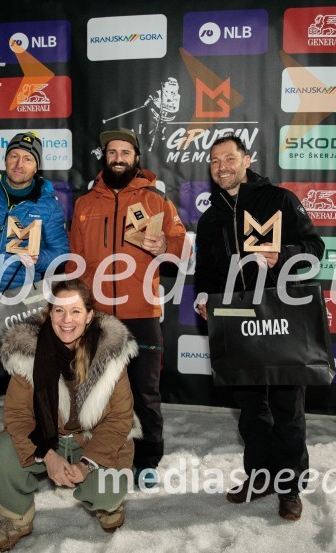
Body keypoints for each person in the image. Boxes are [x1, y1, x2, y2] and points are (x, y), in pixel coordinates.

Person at [194, 133, 325, 521]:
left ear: (246, 160)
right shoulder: (210, 217)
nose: (222, 167)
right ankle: (259, 476)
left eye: (229, 158)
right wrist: (204, 297)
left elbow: (315, 249)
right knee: (252, 408)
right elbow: (206, 271)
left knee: (287, 407)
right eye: (215, 161)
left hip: (282, 315)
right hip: (237, 319)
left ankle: (290, 487)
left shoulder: (280, 199)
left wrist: (281, 254)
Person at [68, 128, 187, 487]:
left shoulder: (155, 199)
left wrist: (166, 243)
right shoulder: (85, 203)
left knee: (146, 392)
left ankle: (148, 459)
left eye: (125, 152)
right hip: (98, 315)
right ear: (104, 157)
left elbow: (182, 248)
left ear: (136, 157)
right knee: (97, 391)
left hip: (142, 312)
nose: (118, 157)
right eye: (112, 152)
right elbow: (76, 260)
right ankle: (105, 455)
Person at [0, 278, 137, 551]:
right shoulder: (28, 353)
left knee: (109, 490)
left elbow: (119, 419)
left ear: (89, 316)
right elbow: (18, 417)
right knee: (2, 451)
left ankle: (108, 505)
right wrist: (48, 454)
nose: (67, 319)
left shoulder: (111, 354)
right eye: (59, 310)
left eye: (75, 311)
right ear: (50, 313)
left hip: (91, 439)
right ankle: (15, 517)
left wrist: (86, 464)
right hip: (47, 437)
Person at [0, 131, 70, 485]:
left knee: (28, 386)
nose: (19, 164)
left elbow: (63, 255)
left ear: (37, 165)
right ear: (4, 160)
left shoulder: (48, 205)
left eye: (27, 158)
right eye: (13, 156)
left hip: (22, 308)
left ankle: (33, 451)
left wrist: (41, 258)